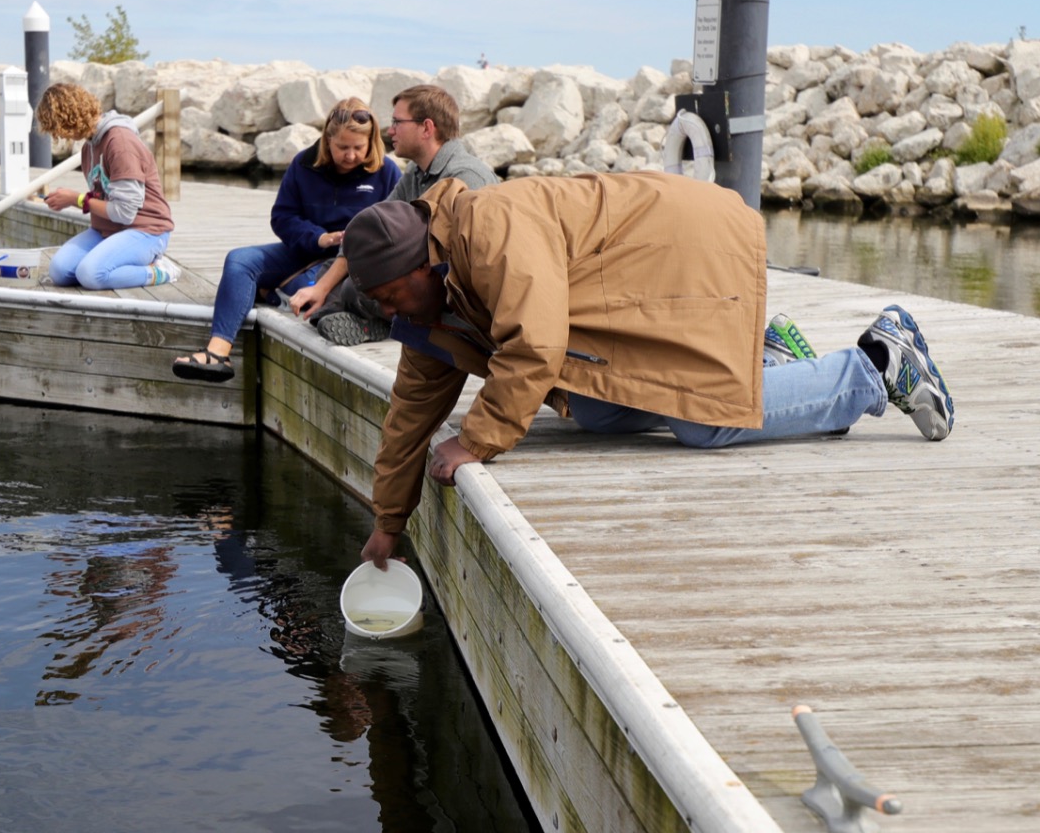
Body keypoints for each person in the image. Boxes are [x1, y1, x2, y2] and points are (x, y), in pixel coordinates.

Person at [342, 174, 956, 569]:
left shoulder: (491, 230)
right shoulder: (433, 296)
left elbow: (536, 343)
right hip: (625, 286)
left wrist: (475, 440)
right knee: (593, 407)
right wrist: (387, 523)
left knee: (703, 424)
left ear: (424, 263)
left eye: (393, 297)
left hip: (685, 252)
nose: (391, 313)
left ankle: (875, 365)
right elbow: (411, 412)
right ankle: (771, 363)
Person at [172, 98, 400, 382]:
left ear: (371, 142)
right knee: (240, 261)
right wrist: (319, 238)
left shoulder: (388, 173)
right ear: (328, 139)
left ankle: (276, 294)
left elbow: (398, 226)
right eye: (343, 147)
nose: (351, 155)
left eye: (358, 148)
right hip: (308, 248)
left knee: (308, 294)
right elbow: (283, 217)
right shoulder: (304, 164)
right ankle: (218, 352)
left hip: (352, 261)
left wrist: (349, 243)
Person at [291, 84, 498, 346]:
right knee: (333, 271)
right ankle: (373, 319)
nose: (390, 131)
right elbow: (367, 234)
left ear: (427, 128)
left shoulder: (468, 178)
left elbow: (468, 268)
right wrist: (320, 289)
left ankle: (390, 323)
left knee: (356, 287)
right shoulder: (417, 171)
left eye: (397, 122)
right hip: (413, 276)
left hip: (450, 295)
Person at [36, 83, 177, 290]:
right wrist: (71, 199)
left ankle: (159, 271)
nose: (61, 136)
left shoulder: (120, 143)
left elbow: (125, 212)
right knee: (59, 271)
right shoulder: (89, 148)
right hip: (108, 230)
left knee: (91, 275)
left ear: (69, 119)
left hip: (146, 230)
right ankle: (115, 261)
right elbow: (105, 197)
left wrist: (76, 200)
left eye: (58, 129)